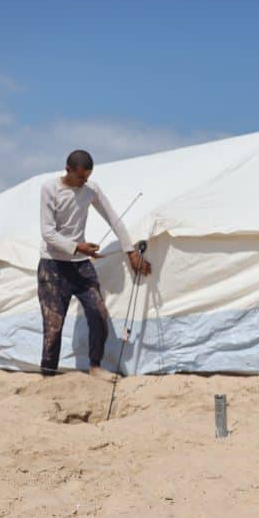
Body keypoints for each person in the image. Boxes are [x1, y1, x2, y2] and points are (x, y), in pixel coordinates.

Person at [38, 149, 152, 378]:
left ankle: (95, 367)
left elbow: (114, 220)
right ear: (68, 169)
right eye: (80, 177)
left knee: (98, 314)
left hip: (81, 266)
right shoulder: (49, 189)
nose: (84, 181)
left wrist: (130, 252)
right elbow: (48, 233)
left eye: (87, 177)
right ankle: (48, 373)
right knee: (54, 326)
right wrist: (78, 246)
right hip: (53, 266)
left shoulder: (91, 189)